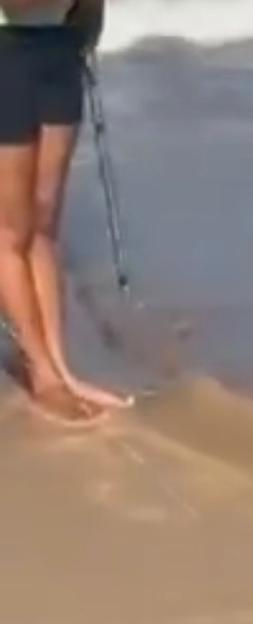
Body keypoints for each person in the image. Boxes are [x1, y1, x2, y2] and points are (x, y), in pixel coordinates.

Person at [0, 0, 129, 426]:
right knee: (11, 230)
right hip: (7, 49)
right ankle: (41, 373)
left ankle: (61, 370)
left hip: (60, 47)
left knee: (44, 221)